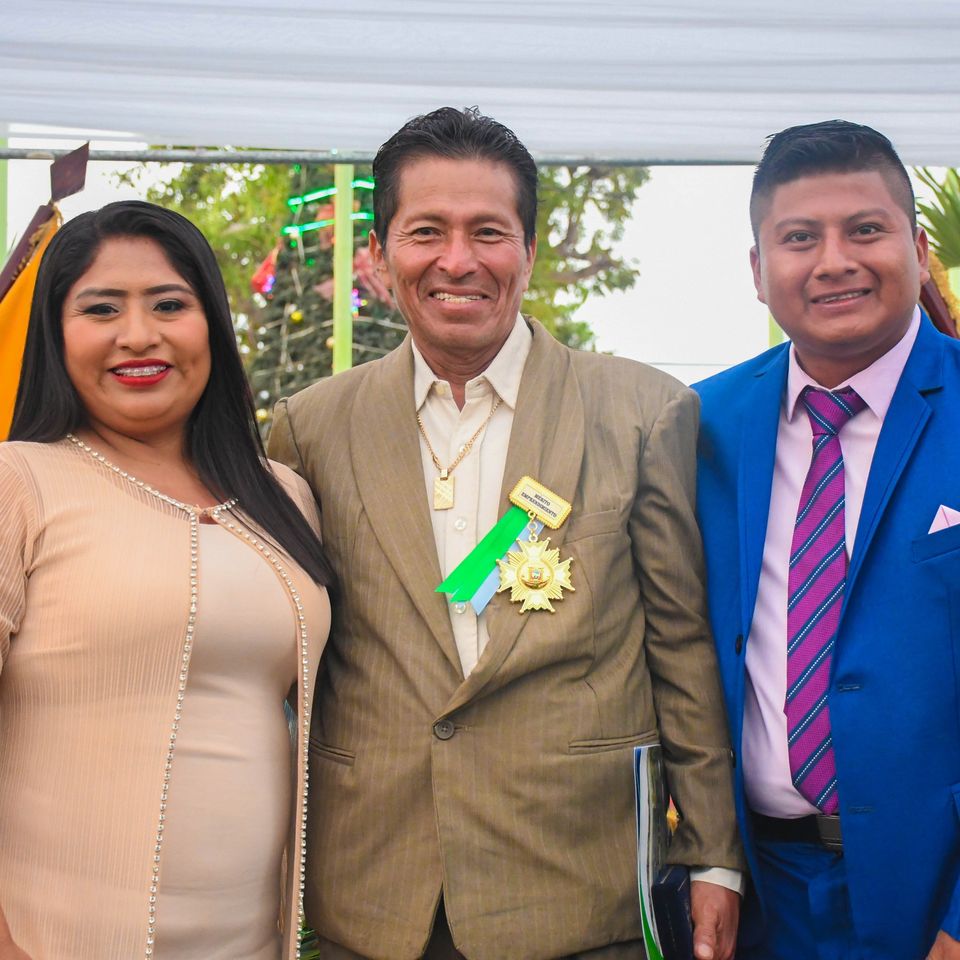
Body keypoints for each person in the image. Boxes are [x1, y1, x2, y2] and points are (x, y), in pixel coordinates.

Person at [267, 106, 743, 960]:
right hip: (375, 891)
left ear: (529, 250)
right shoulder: (311, 426)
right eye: (426, 232)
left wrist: (713, 854)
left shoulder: (642, 412)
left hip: (579, 884)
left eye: (488, 232)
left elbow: (680, 645)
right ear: (378, 253)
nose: (458, 261)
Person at [0, 200, 333, 960]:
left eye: (169, 305)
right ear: (55, 334)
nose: (138, 335)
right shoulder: (18, 482)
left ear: (211, 322)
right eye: (101, 309)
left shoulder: (284, 496)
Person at [694, 119, 960, 960]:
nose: (834, 260)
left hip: (936, 894)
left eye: (866, 229)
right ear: (757, 269)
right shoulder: (700, 425)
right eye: (800, 238)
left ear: (919, 249)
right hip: (760, 898)